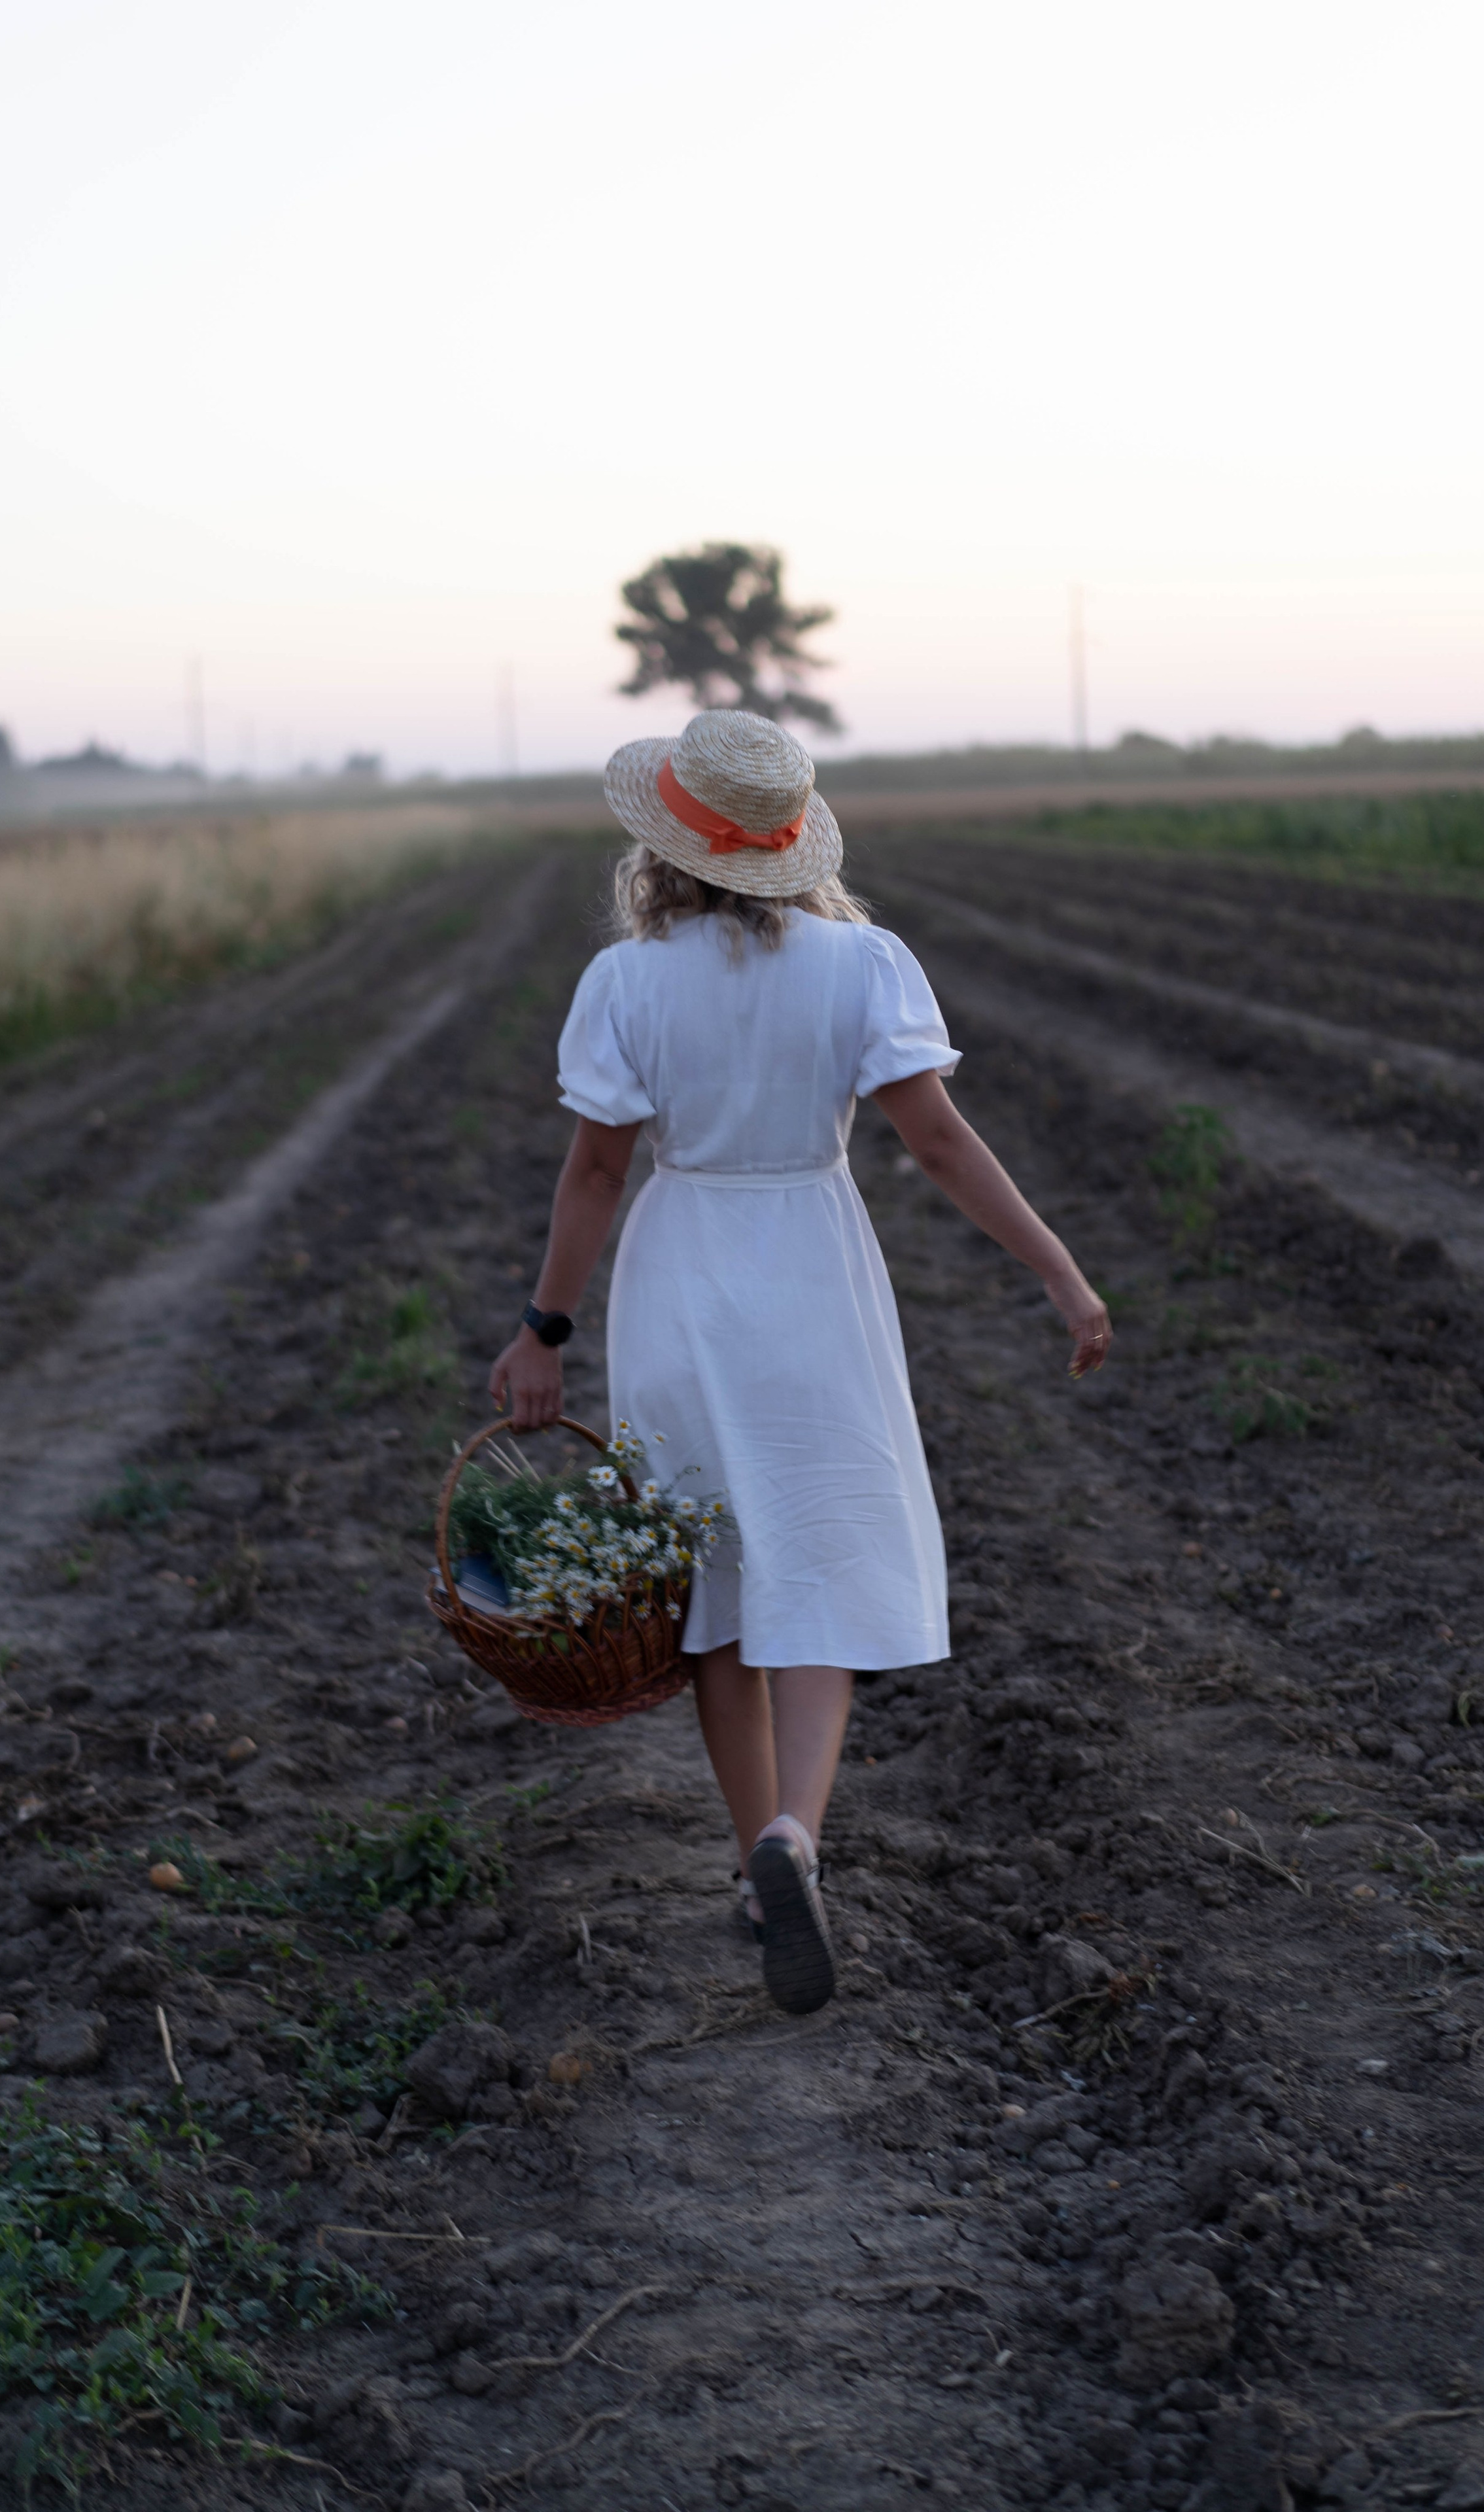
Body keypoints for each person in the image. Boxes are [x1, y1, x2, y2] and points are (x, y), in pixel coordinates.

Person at [489, 710, 1110, 2016]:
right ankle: (796, 1842)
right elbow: (939, 1145)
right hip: (813, 1266)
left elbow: (596, 1171)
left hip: (681, 1277)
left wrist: (541, 1332)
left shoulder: (626, 983)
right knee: (816, 1559)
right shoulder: (863, 963)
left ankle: (744, 1851)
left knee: (713, 1585)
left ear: (662, 850)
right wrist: (1057, 1271)